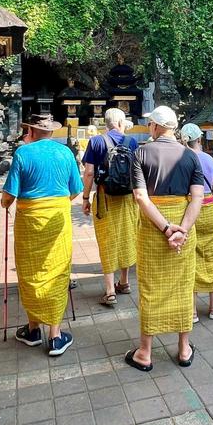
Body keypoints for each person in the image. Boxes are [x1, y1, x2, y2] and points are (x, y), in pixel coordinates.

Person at [124, 107, 205, 371]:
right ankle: (184, 349)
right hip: (183, 230)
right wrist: (182, 229)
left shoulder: (141, 153)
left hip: (153, 229)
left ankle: (145, 352)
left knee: (150, 288)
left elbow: (140, 197)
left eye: (150, 124)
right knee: (183, 287)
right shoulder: (191, 156)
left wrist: (166, 228)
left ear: (156, 127)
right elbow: (197, 197)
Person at [2, 114, 82, 356]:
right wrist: (56, 204)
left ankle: (33, 328)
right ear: (51, 131)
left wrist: (6, 204)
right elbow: (76, 190)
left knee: (30, 271)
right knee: (57, 270)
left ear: (30, 131)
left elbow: (8, 197)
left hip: (29, 220)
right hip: (57, 220)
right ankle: (55, 335)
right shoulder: (65, 153)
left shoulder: (23, 153)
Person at [80, 108, 138, 307]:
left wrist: (85, 198)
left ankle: (110, 291)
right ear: (121, 123)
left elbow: (89, 172)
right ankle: (124, 282)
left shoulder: (96, 141)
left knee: (107, 240)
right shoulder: (132, 142)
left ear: (105, 123)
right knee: (127, 236)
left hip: (104, 196)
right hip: (128, 198)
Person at [181, 123, 213, 321]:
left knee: (192, 259)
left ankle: (193, 311)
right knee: (212, 257)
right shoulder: (209, 159)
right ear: (199, 139)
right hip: (210, 208)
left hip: (191, 211)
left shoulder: (182, 159)